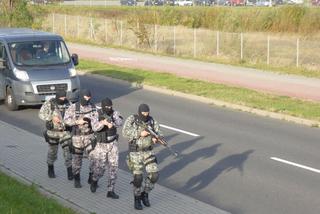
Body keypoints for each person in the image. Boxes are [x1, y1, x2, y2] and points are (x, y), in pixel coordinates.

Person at [122, 104, 162, 210]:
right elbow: (125, 133)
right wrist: (140, 133)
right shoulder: (132, 119)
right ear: (140, 112)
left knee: (154, 175)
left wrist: (156, 138)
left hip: (148, 152)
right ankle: (137, 199)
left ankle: (145, 193)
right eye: (144, 113)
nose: (146, 114)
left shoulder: (152, 121)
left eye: (147, 113)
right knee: (138, 178)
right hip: (135, 152)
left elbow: (158, 131)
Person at [64, 89, 103, 188]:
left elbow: (100, 117)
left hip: (90, 137)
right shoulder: (73, 107)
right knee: (77, 159)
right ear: (81, 97)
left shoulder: (93, 107)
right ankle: (77, 178)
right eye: (85, 98)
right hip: (77, 137)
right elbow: (66, 120)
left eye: (89, 98)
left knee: (94, 158)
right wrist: (77, 121)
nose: (87, 100)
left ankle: (91, 177)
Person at [89, 97, 123, 199]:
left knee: (114, 168)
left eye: (110, 106)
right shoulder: (96, 114)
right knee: (100, 168)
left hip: (113, 144)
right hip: (101, 145)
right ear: (103, 106)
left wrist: (112, 121)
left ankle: (110, 190)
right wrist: (102, 123)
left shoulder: (115, 113)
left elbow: (120, 123)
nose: (109, 108)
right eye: (107, 106)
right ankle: (94, 180)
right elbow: (94, 127)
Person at [38, 89, 73, 180]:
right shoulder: (49, 103)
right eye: (61, 97)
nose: (63, 98)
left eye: (64, 97)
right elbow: (41, 114)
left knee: (68, 151)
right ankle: (50, 168)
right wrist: (51, 117)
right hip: (53, 132)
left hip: (65, 132)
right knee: (52, 152)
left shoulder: (69, 103)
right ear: (57, 96)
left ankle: (70, 171)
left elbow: (73, 115)